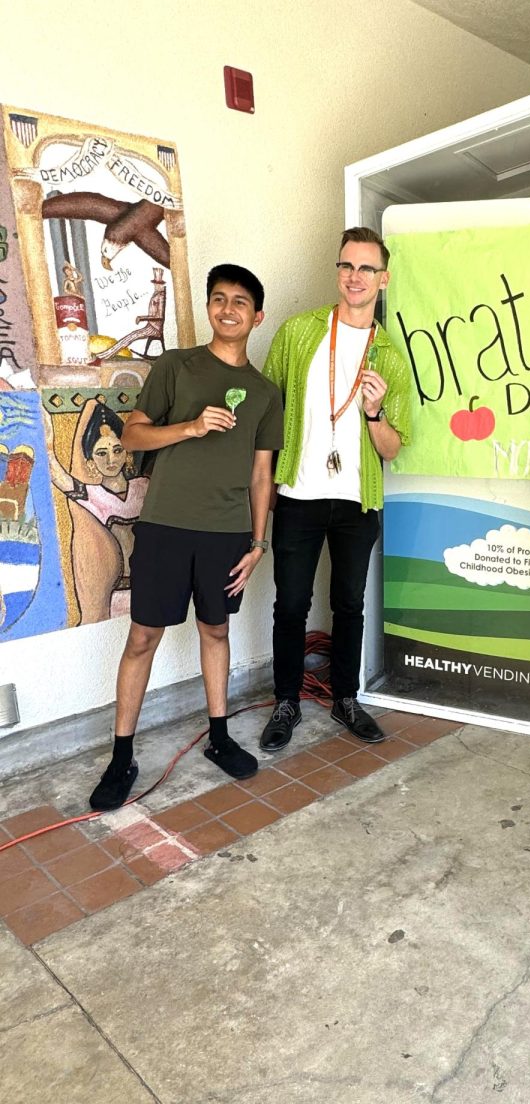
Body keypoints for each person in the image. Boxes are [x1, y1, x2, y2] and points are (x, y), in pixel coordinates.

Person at [88, 264, 284, 810]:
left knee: (215, 631)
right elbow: (132, 434)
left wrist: (258, 542)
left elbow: (261, 474)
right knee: (143, 638)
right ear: (208, 308)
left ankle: (219, 739)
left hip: (226, 533)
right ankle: (121, 755)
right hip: (165, 527)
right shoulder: (176, 367)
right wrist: (193, 426)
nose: (228, 309)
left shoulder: (265, 393)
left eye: (240, 302)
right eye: (219, 299)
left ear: (256, 316)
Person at [259, 227, 412, 753]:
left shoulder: (390, 353)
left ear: (383, 279)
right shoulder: (300, 332)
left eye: (366, 268)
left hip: (356, 500)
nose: (355, 277)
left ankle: (346, 698)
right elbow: (267, 409)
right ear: (338, 270)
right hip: (298, 495)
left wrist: (374, 412)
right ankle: (287, 701)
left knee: (349, 604)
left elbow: (392, 449)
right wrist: (263, 484)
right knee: (290, 605)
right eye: (347, 266)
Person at [45, 401, 149, 620]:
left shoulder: (144, 486)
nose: (111, 459)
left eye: (117, 449)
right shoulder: (94, 496)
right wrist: (47, 441)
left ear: (127, 452)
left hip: (156, 588)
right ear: (91, 460)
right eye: (101, 453)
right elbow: (58, 475)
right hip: (121, 599)